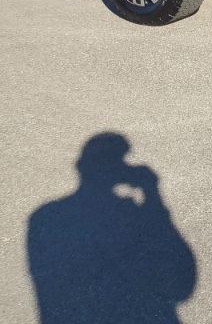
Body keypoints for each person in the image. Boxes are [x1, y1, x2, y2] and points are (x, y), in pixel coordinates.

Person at [27, 132, 196, 323]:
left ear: (80, 167)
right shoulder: (130, 218)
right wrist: (152, 198)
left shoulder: (44, 218)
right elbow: (181, 283)